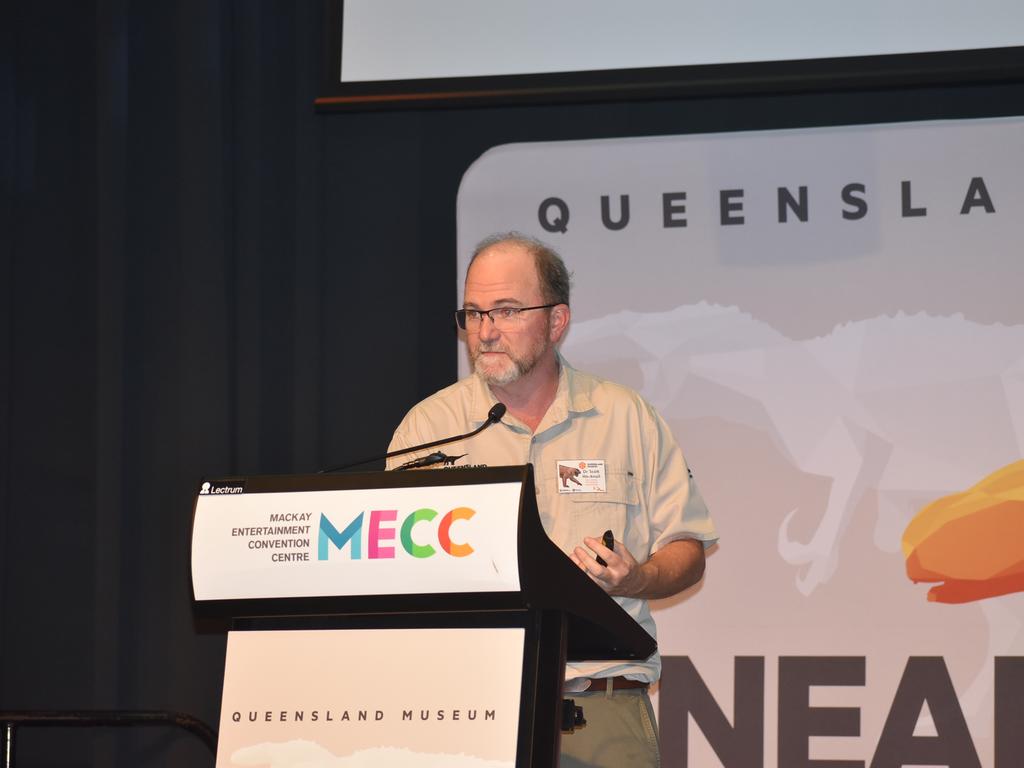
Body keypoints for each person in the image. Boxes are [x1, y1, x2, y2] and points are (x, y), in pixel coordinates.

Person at [387, 232, 718, 768]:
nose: (485, 332)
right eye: (473, 313)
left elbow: (687, 546)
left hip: (600, 709)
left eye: (507, 311)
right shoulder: (429, 429)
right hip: (468, 713)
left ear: (556, 322)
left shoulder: (625, 417)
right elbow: (391, 569)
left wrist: (638, 579)